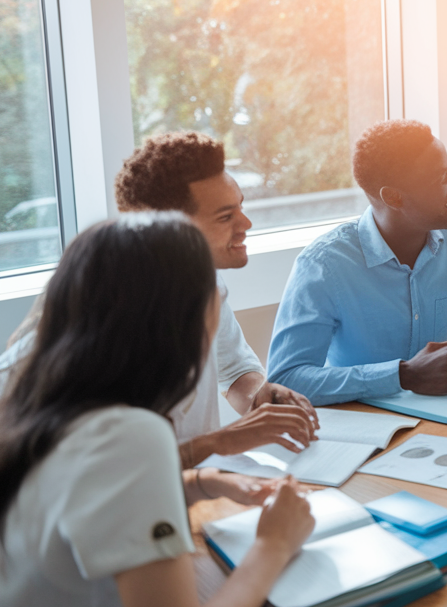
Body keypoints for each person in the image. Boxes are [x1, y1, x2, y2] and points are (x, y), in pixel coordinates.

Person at [0, 212, 315, 607]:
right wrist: (274, 544)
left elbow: (84, 504)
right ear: (178, 323)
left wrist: (199, 483)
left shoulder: (39, 407)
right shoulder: (129, 435)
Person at [0, 131, 318, 506]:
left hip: (193, 496)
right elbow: (71, 486)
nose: (246, 223)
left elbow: (234, 369)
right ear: (164, 229)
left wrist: (258, 397)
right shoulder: (59, 345)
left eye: (241, 206)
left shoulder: (201, 286)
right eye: (225, 216)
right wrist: (215, 444)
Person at [268, 120, 447, 404]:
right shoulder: (323, 266)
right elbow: (286, 380)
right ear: (393, 197)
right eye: (440, 177)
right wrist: (402, 376)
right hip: (363, 428)